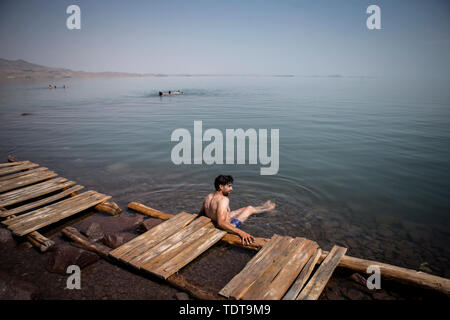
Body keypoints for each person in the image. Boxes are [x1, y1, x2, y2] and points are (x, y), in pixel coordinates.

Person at [199, 175, 276, 245]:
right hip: (228, 226)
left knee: (244, 208)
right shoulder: (223, 200)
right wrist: (241, 233)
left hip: (216, 220)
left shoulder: (209, 196)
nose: (231, 189)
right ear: (221, 187)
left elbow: (202, 213)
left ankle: (263, 207)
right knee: (249, 209)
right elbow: (221, 223)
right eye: (229, 186)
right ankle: (268, 208)